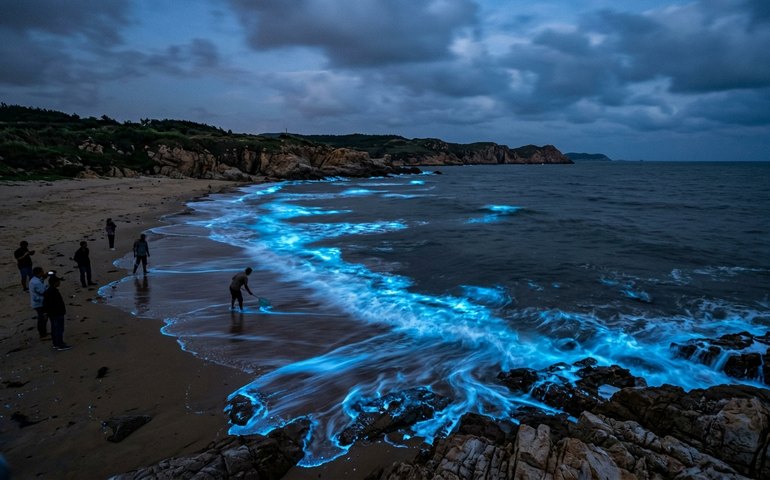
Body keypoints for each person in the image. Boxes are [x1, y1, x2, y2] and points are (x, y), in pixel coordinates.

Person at [43, 274, 71, 351]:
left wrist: (46, 312)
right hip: (57, 313)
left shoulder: (48, 291)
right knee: (59, 329)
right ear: (55, 282)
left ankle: (56, 343)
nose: (59, 283)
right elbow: (56, 303)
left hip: (53, 313)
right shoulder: (53, 291)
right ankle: (60, 344)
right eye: (58, 281)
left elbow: (45, 303)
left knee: (54, 329)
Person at [29, 267, 49, 339]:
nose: (43, 272)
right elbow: (43, 292)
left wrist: (43, 279)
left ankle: (43, 332)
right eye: (42, 271)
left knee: (42, 318)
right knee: (42, 318)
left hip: (37, 302)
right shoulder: (36, 282)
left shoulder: (34, 280)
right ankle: (42, 334)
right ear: (39, 272)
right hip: (39, 303)